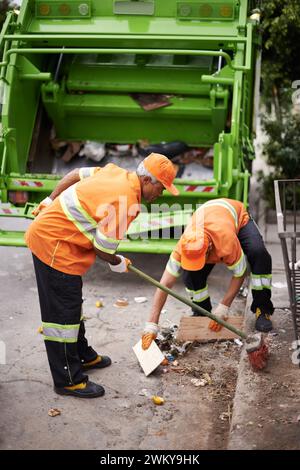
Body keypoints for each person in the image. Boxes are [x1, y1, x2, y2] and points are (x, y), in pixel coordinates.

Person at [25, 153, 179, 398]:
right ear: (148, 181)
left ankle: (82, 355)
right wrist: (117, 262)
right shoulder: (127, 202)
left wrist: (49, 199)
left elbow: (74, 174)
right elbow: (103, 248)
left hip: (56, 240)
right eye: (161, 188)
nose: (160, 194)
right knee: (62, 316)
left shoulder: (114, 171)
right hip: (54, 247)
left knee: (71, 305)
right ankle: (68, 380)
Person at [142, 198, 274, 350]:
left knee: (259, 253)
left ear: (209, 249)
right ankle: (202, 312)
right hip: (208, 215)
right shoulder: (183, 245)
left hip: (237, 216)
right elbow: (164, 284)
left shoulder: (226, 242)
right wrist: (152, 323)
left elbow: (240, 273)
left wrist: (224, 307)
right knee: (190, 274)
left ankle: (262, 310)